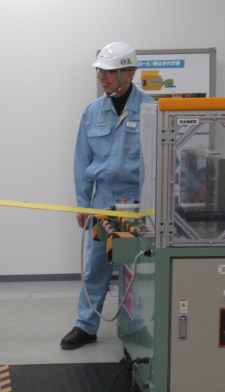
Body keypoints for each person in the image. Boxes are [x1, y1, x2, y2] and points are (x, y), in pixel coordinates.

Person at [60, 41, 155, 349]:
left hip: (136, 201)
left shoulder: (151, 110)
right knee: (96, 266)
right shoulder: (92, 112)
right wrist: (83, 204)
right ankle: (86, 325)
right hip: (103, 200)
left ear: (129, 73)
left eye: (109, 71)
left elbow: (160, 162)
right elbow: (82, 161)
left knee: (135, 267)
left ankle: (136, 325)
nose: (102, 76)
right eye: (100, 70)